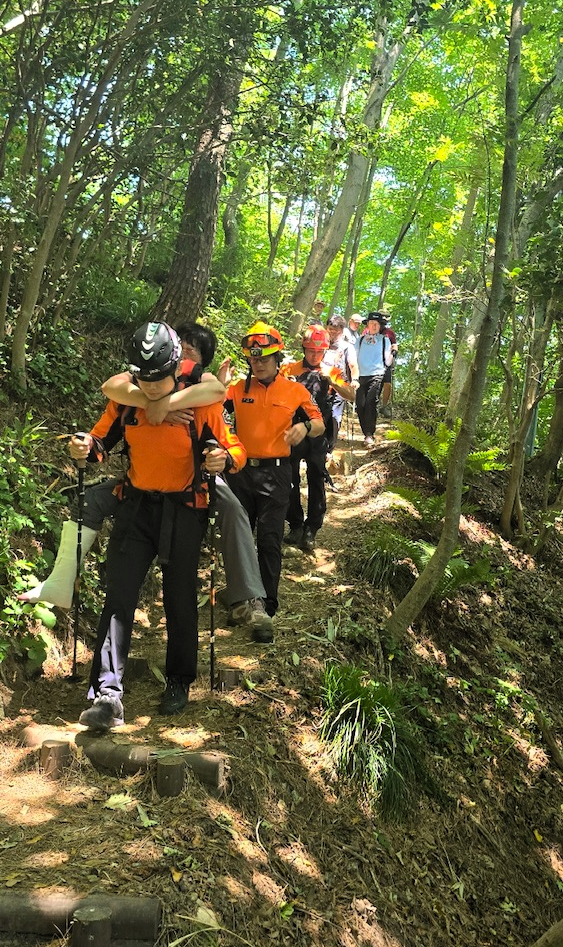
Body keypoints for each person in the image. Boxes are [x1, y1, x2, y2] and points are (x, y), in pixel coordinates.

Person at [18, 323, 274, 642]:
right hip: (142, 485)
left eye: (192, 351)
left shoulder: (202, 394)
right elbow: (112, 388)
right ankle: (60, 579)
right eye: (181, 347)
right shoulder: (145, 382)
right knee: (92, 499)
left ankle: (249, 597)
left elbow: (223, 415)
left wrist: (170, 406)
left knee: (232, 510)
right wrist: (151, 404)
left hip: (193, 484)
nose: (184, 355)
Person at [74, 321, 247, 731]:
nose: (151, 387)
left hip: (184, 509)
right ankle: (107, 695)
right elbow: (101, 442)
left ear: (176, 367)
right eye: (144, 380)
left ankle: (179, 680)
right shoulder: (127, 399)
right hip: (135, 507)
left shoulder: (200, 401)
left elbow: (234, 448)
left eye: (159, 379)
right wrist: (84, 447)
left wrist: (222, 458)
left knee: (180, 598)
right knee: (119, 595)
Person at [220, 321, 324, 617]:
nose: (259, 364)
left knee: (269, 538)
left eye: (265, 358)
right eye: (253, 359)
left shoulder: (295, 390)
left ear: (277, 358)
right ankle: (241, 599)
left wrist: (304, 428)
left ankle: (267, 605)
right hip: (240, 472)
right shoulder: (237, 390)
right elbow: (213, 413)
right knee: (238, 538)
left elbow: (319, 423)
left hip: (277, 474)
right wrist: (218, 385)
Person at [280, 326, 353, 552]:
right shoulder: (289, 369)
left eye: (319, 351)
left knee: (316, 478)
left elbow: (351, 395)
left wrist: (333, 382)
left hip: (318, 432)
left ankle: (312, 528)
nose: (314, 355)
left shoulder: (331, 371)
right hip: (293, 430)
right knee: (290, 477)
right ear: (304, 348)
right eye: (311, 350)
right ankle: (295, 525)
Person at [355, 311, 393, 448]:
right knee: (360, 405)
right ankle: (366, 431)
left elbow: (387, 360)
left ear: (380, 325)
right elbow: (353, 357)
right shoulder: (360, 340)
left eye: (377, 324)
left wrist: (392, 355)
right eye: (372, 323)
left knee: (371, 402)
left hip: (377, 374)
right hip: (360, 375)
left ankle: (369, 434)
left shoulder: (384, 340)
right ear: (368, 325)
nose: (374, 326)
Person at [323, 315, 360, 448]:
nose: (333, 332)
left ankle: (329, 448)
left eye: (336, 330)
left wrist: (355, 379)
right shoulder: (320, 343)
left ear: (342, 330)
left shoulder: (347, 347)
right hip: (320, 385)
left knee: (334, 416)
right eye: (330, 328)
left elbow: (353, 365)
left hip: (338, 387)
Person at [380, 321, 398, 418]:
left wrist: (394, 352)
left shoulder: (389, 332)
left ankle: (384, 406)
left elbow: (394, 344)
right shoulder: (368, 330)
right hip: (372, 362)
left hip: (386, 361)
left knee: (387, 384)